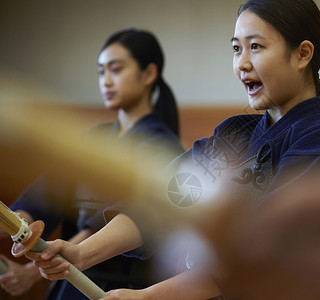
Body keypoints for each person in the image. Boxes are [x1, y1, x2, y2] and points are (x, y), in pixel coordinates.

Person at [27, 0, 320, 299]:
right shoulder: (236, 132)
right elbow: (167, 198)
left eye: (256, 47)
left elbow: (254, 255)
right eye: (236, 48)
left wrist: (146, 297)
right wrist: (81, 253)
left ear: (303, 54)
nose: (242, 63)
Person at [0, 28, 184, 299]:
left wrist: (30, 272)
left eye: (116, 70)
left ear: (149, 74)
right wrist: (12, 224)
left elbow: (103, 225)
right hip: (70, 276)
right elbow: (42, 199)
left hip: (119, 286)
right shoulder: (94, 138)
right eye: (101, 72)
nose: (106, 81)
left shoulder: (164, 148)